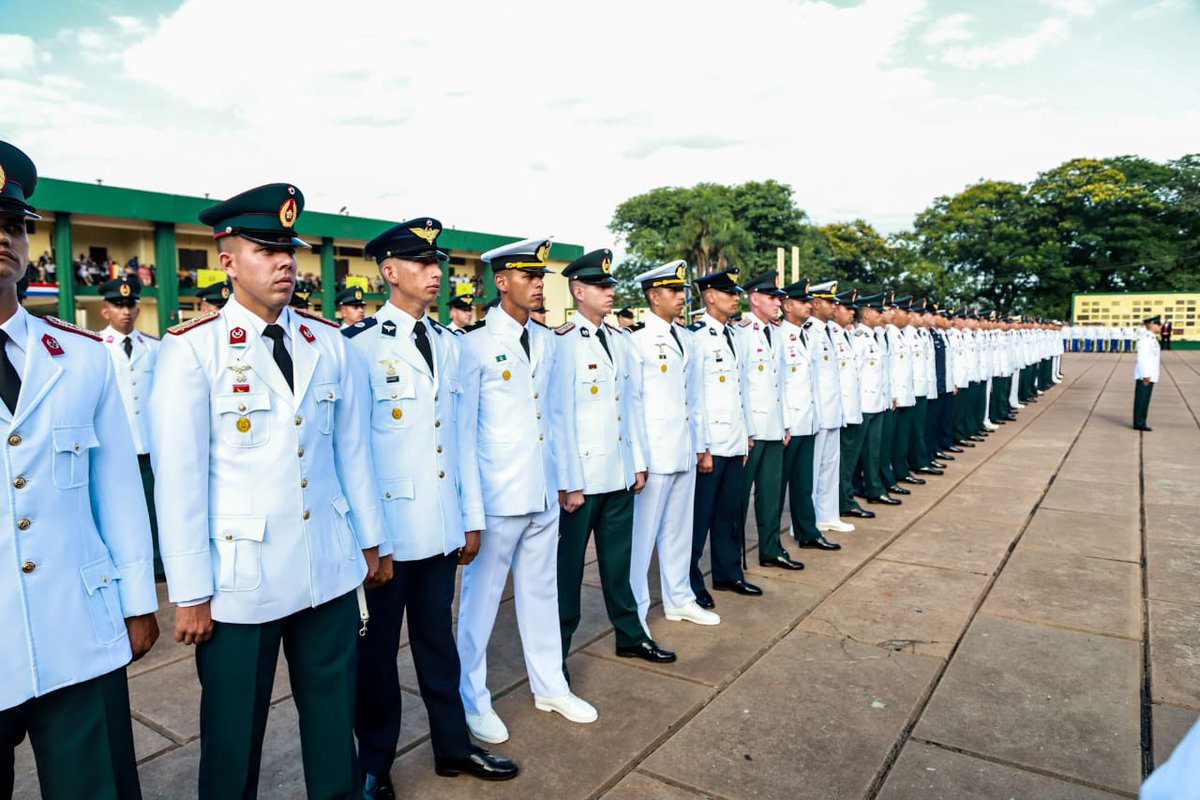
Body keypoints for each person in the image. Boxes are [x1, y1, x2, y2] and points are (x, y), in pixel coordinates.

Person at [150, 183, 390, 800]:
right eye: (266, 249)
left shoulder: (328, 342)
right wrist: (190, 592)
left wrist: (371, 541)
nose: (285, 261)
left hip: (327, 568)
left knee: (334, 728)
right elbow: (179, 484)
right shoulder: (192, 350)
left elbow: (352, 453)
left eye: (289, 248)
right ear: (226, 259)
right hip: (239, 581)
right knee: (233, 740)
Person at [0, 140, 159, 800]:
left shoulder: (80, 356)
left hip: (80, 623)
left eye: (12, 223)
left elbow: (117, 490)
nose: (2, 236)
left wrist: (137, 601)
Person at [344, 219, 517, 795]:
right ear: (390, 272)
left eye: (437, 263)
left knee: (438, 644)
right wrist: (372, 541)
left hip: (441, 524)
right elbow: (355, 453)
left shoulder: (450, 344)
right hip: (390, 531)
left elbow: (460, 439)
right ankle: (374, 765)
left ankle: (453, 745)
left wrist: (471, 518)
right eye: (421, 263)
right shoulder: (360, 347)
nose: (435, 272)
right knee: (376, 660)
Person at [455, 236, 597, 746]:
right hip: (496, 495)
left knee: (542, 592)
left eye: (541, 277)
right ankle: (471, 696)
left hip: (541, 490)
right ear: (501, 281)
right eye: (528, 276)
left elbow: (558, 416)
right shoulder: (471, 345)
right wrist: (470, 509)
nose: (538, 284)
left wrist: (569, 480)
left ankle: (550, 685)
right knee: (480, 603)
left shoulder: (549, 340)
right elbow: (462, 433)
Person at [551, 248, 675, 666]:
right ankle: (558, 652)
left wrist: (637, 462)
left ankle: (630, 633)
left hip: (619, 473)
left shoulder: (621, 340)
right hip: (582, 480)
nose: (609, 292)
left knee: (619, 564)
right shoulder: (563, 342)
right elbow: (560, 416)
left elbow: (631, 406)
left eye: (610, 285)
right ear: (578, 290)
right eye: (601, 286)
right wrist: (568, 480)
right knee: (567, 574)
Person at [626, 261, 719, 626]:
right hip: (653, 453)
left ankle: (680, 597)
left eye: (682, 291)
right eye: (673, 291)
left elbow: (695, 398)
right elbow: (631, 403)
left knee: (679, 531)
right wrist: (637, 458)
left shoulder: (687, 337)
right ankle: (634, 610)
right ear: (653, 296)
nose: (682, 297)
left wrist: (701, 445)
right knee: (641, 539)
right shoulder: (636, 339)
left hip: (681, 448)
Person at [690, 268, 766, 608]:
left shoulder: (736, 334)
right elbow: (696, 396)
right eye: (727, 292)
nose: (735, 297)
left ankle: (728, 572)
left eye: (735, 292)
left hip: (734, 439)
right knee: (698, 519)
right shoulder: (696, 335)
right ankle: (690, 581)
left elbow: (741, 389)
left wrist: (747, 435)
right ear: (709, 296)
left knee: (728, 513)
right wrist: (702, 446)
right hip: (711, 444)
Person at [96, 275, 164, 579]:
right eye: (118, 305)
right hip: (115, 447)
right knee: (120, 511)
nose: (126, 311)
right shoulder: (95, 347)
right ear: (105, 310)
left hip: (151, 446)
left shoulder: (154, 347)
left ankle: (158, 565)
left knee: (155, 508)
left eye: (130, 304)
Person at [738, 270, 804, 569]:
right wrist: (745, 430)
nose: (778, 302)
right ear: (754, 299)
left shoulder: (777, 332)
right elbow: (737, 387)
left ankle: (770, 549)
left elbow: (781, 384)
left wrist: (786, 423)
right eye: (771, 297)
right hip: (751, 430)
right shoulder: (740, 333)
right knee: (738, 499)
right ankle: (732, 559)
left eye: (779, 297)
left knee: (771, 495)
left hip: (774, 428)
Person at [779, 280, 841, 550]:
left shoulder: (807, 334)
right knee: (776, 489)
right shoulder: (779, 334)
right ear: (787, 305)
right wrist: (783, 423)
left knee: (804, 484)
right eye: (802, 301)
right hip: (787, 423)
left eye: (809, 301)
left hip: (808, 419)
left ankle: (807, 532)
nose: (808, 305)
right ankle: (771, 545)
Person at [806, 281, 854, 533]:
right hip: (818, 413)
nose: (835, 306)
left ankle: (827, 514)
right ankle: (808, 519)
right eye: (829, 301)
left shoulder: (831, 332)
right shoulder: (808, 331)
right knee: (813, 471)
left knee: (830, 467)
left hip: (833, 410)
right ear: (816, 304)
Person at [854, 294, 902, 507]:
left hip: (876, 402)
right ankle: (855, 490)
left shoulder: (875, 336)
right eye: (877, 311)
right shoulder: (858, 337)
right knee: (853, 455)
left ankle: (874, 488)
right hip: (862, 404)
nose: (881, 315)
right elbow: (854, 374)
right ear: (866, 313)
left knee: (874, 450)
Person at [830, 289, 872, 521]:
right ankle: (843, 501)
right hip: (841, 410)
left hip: (852, 408)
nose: (851, 313)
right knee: (842, 462)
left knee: (847, 460)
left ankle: (845, 499)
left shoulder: (845, 335)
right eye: (847, 308)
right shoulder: (833, 335)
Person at [1134, 314, 1162, 431]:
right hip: (1144, 375)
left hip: (1149, 375)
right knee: (1141, 400)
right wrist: (1145, 375)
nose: (1160, 326)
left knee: (1144, 400)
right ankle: (1139, 423)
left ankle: (1141, 422)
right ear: (1152, 324)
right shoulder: (1146, 339)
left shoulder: (1151, 338)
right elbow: (1142, 358)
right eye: (1158, 324)